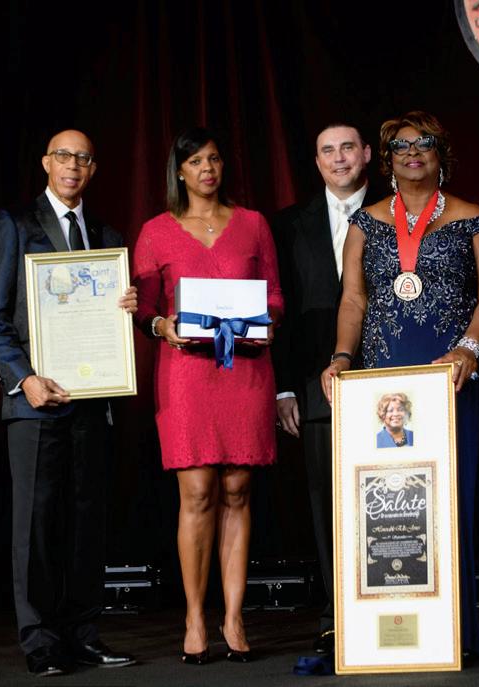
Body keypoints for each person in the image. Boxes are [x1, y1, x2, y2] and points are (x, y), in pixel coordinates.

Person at [321, 110, 479, 656]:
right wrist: (341, 358)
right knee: (388, 505)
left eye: (423, 143)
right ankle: (388, 639)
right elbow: (353, 298)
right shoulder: (366, 222)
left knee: (449, 502)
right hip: (383, 382)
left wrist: (469, 348)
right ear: (387, 160)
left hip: (450, 377)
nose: (412, 153)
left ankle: (452, 636)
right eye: (400, 146)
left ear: (441, 152)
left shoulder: (474, 217)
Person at [0, 129, 137, 676]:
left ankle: (84, 634)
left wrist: (126, 305)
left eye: (83, 158)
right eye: (64, 155)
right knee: (36, 525)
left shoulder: (107, 236)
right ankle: (41, 641)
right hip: (35, 403)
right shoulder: (14, 224)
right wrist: (24, 379)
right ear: (47, 162)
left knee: (87, 524)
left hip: (92, 400)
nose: (73, 165)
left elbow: (111, 322)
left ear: (93, 169)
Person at [133, 127, 283, 665]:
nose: (207, 169)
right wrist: (161, 326)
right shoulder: (155, 232)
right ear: (179, 171)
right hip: (187, 376)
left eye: (214, 159)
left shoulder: (254, 224)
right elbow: (145, 309)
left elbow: (275, 295)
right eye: (196, 161)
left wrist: (263, 320)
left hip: (245, 370)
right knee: (197, 492)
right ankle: (195, 616)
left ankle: (234, 617)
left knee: (238, 490)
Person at [271, 122, 374, 655]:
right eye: (327, 151)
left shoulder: (395, 211)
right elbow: (281, 311)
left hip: (387, 382)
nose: (339, 159)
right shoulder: (289, 224)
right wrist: (284, 388)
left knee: (391, 499)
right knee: (327, 506)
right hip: (316, 388)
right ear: (316, 162)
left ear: (367, 154)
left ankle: (395, 610)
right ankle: (337, 618)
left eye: (347, 148)